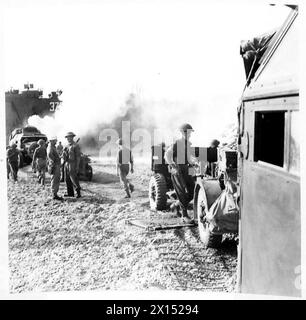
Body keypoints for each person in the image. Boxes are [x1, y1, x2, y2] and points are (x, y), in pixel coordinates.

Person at [164, 123, 198, 223]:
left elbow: (188, 157)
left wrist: (194, 162)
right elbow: (167, 155)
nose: (190, 134)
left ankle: (175, 205)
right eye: (188, 132)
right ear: (182, 132)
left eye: (190, 132)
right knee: (181, 192)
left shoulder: (187, 143)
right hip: (177, 170)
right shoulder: (176, 143)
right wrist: (173, 165)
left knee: (192, 191)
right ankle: (184, 215)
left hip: (185, 169)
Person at [62, 132, 81, 198]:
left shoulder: (75, 145)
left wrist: (77, 166)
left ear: (72, 137)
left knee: (73, 179)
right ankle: (70, 193)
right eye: (67, 137)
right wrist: (64, 152)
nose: (68, 138)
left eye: (69, 137)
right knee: (67, 179)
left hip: (73, 163)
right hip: (67, 163)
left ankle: (78, 193)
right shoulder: (67, 146)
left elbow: (78, 157)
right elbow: (64, 156)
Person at [47, 136, 63, 201]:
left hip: (55, 164)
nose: (55, 142)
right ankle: (54, 194)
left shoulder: (52, 147)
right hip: (54, 165)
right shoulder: (50, 147)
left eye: (55, 140)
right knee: (55, 179)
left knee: (56, 179)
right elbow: (50, 154)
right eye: (54, 141)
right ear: (51, 141)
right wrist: (55, 160)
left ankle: (55, 194)